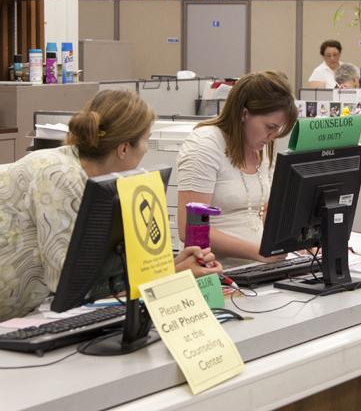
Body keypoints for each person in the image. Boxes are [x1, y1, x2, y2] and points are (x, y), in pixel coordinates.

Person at [0, 89, 222, 321]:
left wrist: (168, 266)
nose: (146, 149)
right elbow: (71, 287)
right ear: (124, 148)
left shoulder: (95, 182)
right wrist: (173, 274)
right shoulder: (58, 175)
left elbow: (100, 275)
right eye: (146, 140)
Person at [177, 71, 298, 268]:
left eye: (278, 129)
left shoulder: (261, 146)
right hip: (219, 270)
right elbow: (189, 229)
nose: (273, 136)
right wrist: (258, 252)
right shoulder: (206, 144)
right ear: (244, 114)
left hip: (259, 267)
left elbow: (262, 211)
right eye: (270, 127)